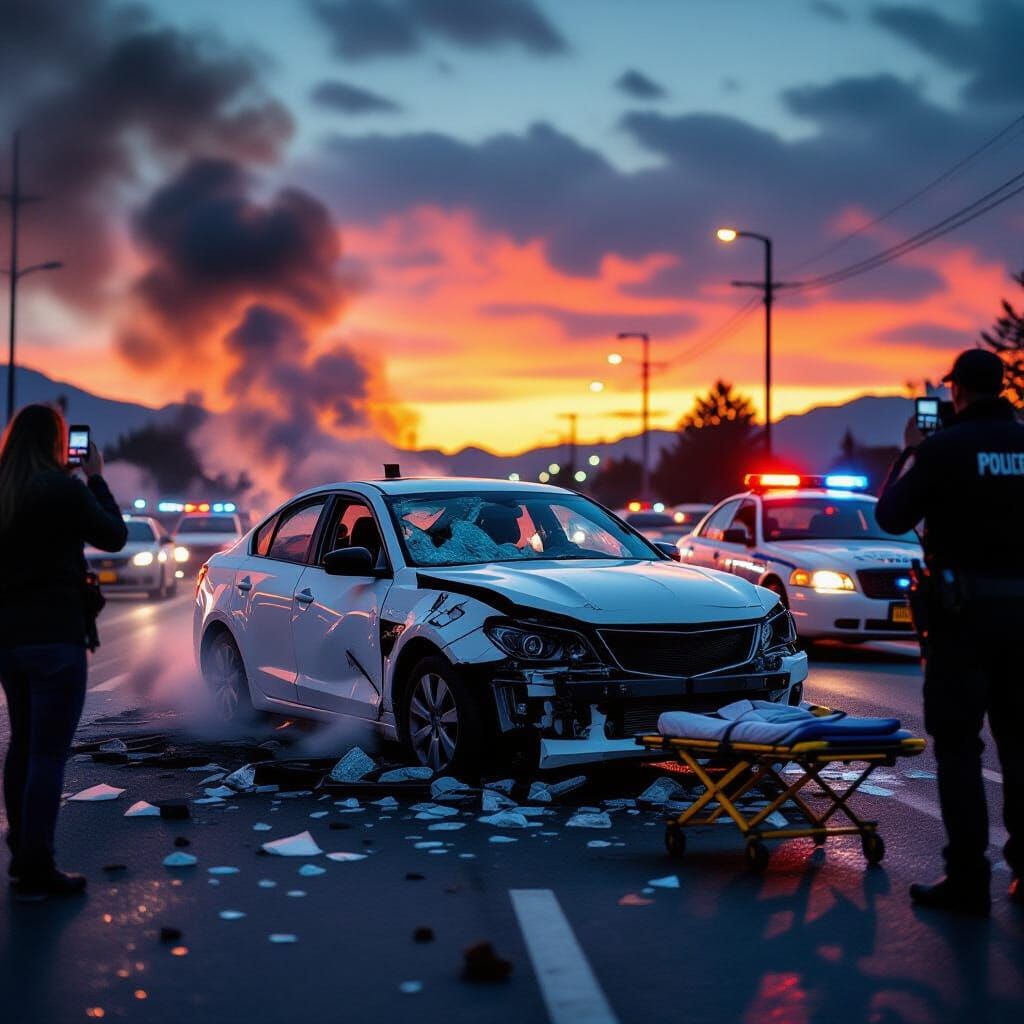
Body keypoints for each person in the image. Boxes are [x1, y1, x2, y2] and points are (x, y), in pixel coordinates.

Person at [876, 348, 1024, 916]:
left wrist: (912, 451)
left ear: (956, 391)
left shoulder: (943, 449)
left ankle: (967, 878)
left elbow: (891, 516)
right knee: (1022, 743)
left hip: (963, 620)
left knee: (960, 746)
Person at [0, 404, 127, 900]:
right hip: (57, 638)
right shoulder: (64, 490)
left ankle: (20, 856)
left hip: (9, 640)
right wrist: (95, 478)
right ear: (57, 445)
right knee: (49, 754)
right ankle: (38, 866)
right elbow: (113, 535)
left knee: (23, 744)